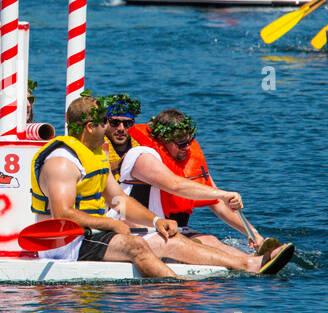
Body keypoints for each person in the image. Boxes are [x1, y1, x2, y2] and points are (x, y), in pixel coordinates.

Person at [28, 96, 268, 278]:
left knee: (169, 238)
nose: (114, 130)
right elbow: (62, 214)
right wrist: (111, 223)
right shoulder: (61, 162)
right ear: (90, 127)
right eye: (106, 123)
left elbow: (118, 200)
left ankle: (250, 265)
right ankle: (175, 290)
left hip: (93, 236)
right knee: (138, 245)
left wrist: (155, 222)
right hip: (66, 244)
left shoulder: (94, 155)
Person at [120, 108, 293, 272]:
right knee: (201, 243)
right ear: (163, 140)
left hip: (177, 229)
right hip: (146, 231)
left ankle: (259, 261)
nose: (187, 147)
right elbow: (176, 185)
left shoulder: (190, 161)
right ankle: (250, 264)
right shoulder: (142, 158)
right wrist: (224, 194)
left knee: (211, 241)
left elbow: (216, 201)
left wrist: (254, 234)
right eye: (181, 144)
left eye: (189, 141)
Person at [100, 93, 141, 175]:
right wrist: (122, 163)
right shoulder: (93, 146)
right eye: (115, 122)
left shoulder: (143, 146)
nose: (121, 128)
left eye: (127, 123)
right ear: (104, 122)